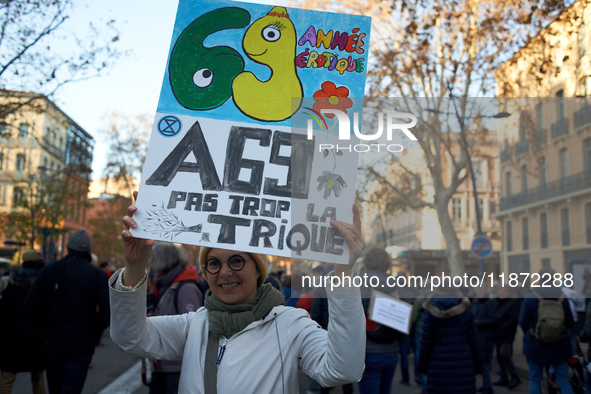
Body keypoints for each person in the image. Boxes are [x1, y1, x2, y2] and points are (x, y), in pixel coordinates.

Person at [110, 196, 366, 393]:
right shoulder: (195, 324)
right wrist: (134, 266)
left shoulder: (291, 324)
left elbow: (343, 369)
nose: (224, 273)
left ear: (258, 270)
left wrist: (343, 275)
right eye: (213, 263)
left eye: (236, 261)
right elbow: (130, 337)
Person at [25, 229, 110, 394]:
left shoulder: (49, 270)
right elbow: (106, 312)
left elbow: (30, 306)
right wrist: (94, 333)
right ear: (87, 250)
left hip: (52, 343)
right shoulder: (97, 275)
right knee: (71, 389)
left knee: (55, 389)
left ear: (68, 248)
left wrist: (45, 329)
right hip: (81, 343)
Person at [147, 243, 204, 394]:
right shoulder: (167, 285)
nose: (151, 267)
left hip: (177, 369)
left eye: (152, 260)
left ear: (161, 261)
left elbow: (194, 332)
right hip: (164, 366)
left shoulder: (185, 289)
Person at [519, 267, 575, 394]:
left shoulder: (531, 296)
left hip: (536, 345)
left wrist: (532, 333)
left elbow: (522, 321)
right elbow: (570, 322)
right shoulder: (562, 297)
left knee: (535, 379)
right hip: (560, 345)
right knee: (563, 379)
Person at [418, 286, 483, 393]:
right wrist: (479, 366)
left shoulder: (430, 308)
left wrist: (422, 366)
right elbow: (474, 340)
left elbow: (425, 342)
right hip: (463, 364)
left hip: (438, 364)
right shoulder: (465, 308)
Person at [0, 249, 47, 394]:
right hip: (36, 336)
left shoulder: (11, 280)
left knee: (7, 376)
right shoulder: (43, 282)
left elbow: (4, 311)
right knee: (38, 377)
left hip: (12, 336)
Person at [358, 246, 402, 394]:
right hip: (392, 349)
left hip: (367, 351)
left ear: (366, 263)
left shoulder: (357, 284)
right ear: (387, 265)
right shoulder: (396, 285)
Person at [492, 286, 522, 389]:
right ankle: (504, 377)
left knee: (504, 353)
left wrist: (502, 327)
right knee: (499, 356)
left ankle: (515, 376)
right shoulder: (495, 302)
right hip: (497, 333)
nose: (503, 293)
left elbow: (514, 318)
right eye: (501, 290)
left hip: (507, 333)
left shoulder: (512, 303)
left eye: (505, 291)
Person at [471, 286, 497, 394]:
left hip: (486, 337)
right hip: (476, 337)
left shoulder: (489, 304)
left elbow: (493, 320)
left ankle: (488, 386)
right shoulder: (474, 303)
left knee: (485, 363)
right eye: (478, 290)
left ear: (486, 291)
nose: (479, 292)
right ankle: (484, 385)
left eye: (482, 290)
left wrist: (478, 322)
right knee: (478, 362)